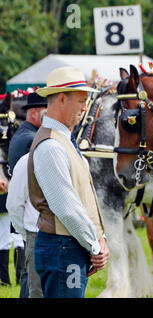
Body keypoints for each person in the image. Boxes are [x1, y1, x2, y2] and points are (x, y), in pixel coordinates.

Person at [29, 66, 109, 298]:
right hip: (62, 246)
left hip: (67, 246)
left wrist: (99, 240)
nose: (86, 107)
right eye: (82, 100)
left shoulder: (61, 140)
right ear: (62, 98)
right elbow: (66, 208)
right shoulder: (51, 145)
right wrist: (95, 245)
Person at [6, 92, 47, 298]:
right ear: (33, 113)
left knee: (28, 274)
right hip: (31, 214)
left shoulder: (25, 134)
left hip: (28, 213)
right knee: (30, 277)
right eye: (45, 112)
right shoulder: (32, 139)